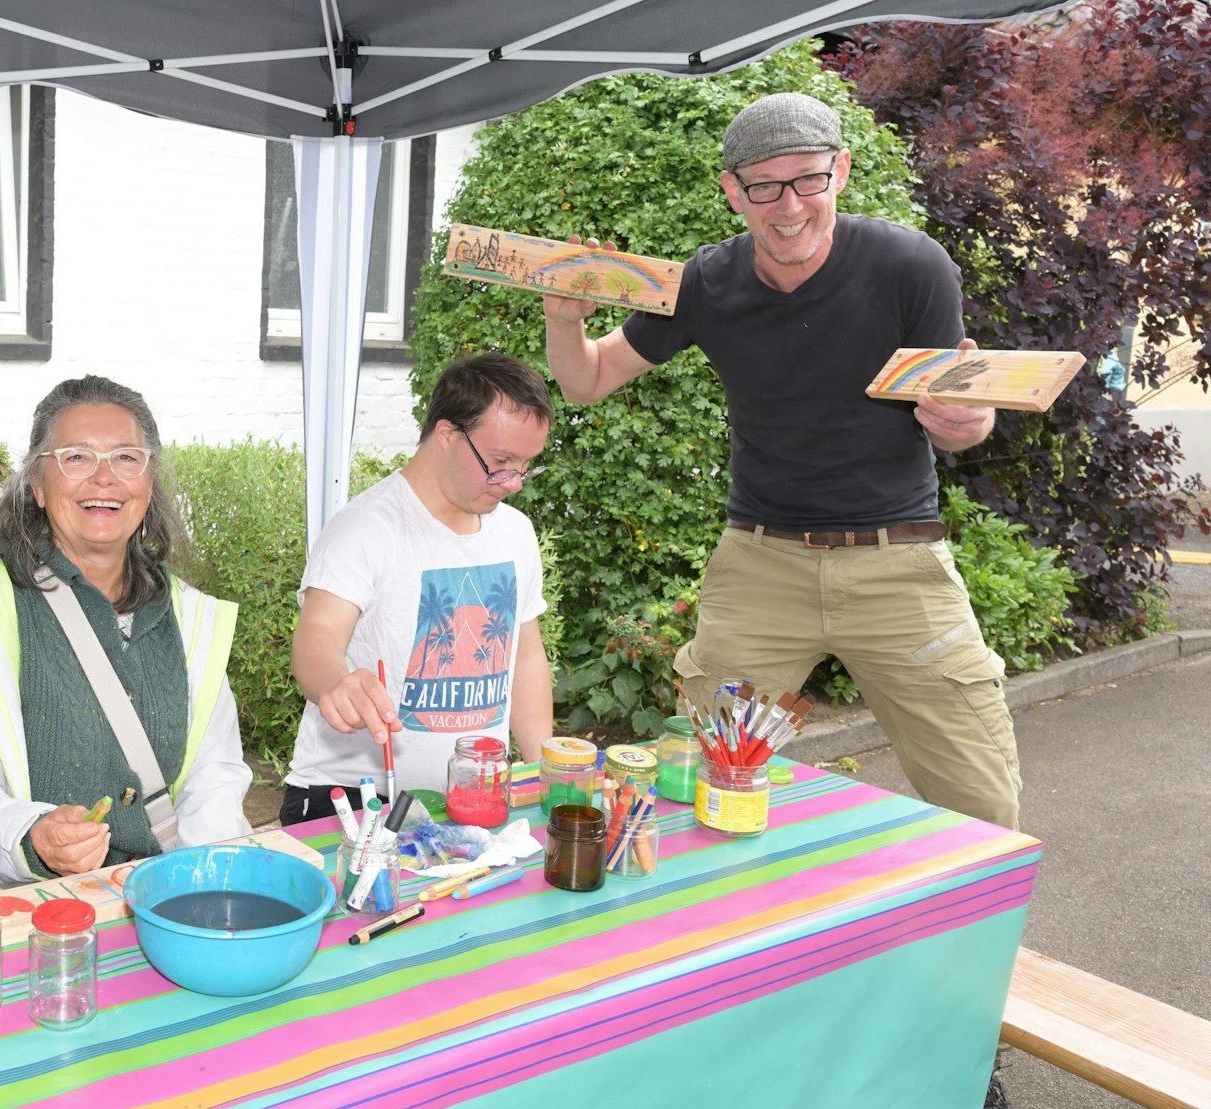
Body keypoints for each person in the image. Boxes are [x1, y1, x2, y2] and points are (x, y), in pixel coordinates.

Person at [543, 92, 1018, 831]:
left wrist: (968, 417)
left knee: (982, 801)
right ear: (733, 190)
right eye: (765, 185)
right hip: (761, 566)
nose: (789, 205)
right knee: (699, 778)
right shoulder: (707, 282)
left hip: (900, 564)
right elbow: (588, 379)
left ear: (842, 172)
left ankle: (962, 943)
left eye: (808, 180)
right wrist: (562, 320)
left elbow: (959, 420)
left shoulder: (911, 267)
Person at [0, 376, 252, 914]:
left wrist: (196, 886)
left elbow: (213, 775)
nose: (104, 477)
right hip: (4, 930)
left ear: (148, 482)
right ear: (37, 484)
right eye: (76, 457)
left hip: (149, 918)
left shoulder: (190, 618)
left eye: (127, 457)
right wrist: (30, 835)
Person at [280, 353, 554, 825]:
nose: (513, 484)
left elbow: (526, 657)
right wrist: (335, 684)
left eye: (527, 466)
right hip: (352, 801)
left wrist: (543, 770)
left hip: (473, 796)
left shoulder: (515, 532)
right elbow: (316, 639)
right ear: (448, 435)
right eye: (501, 462)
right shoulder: (366, 527)